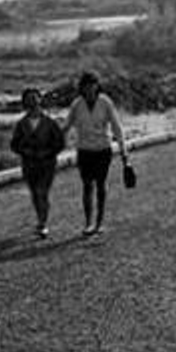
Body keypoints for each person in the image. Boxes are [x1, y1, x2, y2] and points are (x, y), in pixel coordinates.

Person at [64, 71, 129, 237]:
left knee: (100, 185)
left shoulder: (105, 102)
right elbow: (67, 126)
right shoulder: (77, 104)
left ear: (97, 86)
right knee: (87, 186)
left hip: (102, 150)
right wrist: (53, 143)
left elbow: (116, 126)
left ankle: (99, 223)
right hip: (84, 150)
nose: (90, 88)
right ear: (82, 87)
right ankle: (88, 223)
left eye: (93, 84)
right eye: (86, 85)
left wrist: (123, 151)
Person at [9, 87, 64, 238]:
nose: (32, 101)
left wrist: (48, 153)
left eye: (35, 97)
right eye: (29, 99)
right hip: (29, 164)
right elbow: (14, 144)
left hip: (47, 164)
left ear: (40, 100)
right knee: (35, 194)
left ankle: (43, 223)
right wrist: (25, 152)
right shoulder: (21, 124)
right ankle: (40, 219)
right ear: (24, 102)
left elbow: (59, 143)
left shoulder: (50, 123)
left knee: (42, 192)